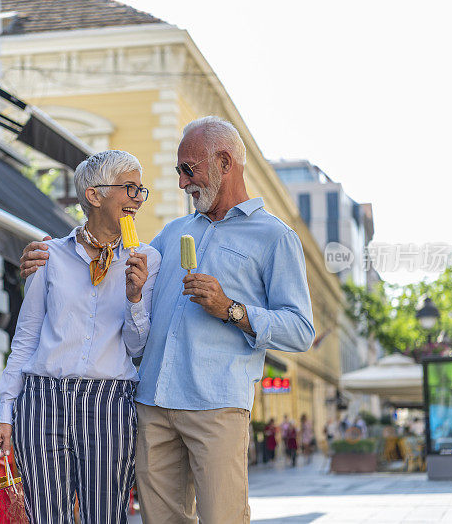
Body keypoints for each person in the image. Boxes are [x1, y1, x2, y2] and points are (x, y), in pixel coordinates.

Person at [19, 116, 315, 523]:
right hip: (152, 403)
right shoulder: (170, 234)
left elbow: (301, 329)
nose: (181, 182)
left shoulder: (274, 236)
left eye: (188, 169)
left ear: (225, 163)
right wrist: (51, 254)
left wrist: (232, 309)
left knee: (222, 518)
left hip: (215, 406)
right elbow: (109, 279)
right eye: (179, 171)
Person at [0, 150, 160, 524]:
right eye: (129, 187)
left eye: (140, 190)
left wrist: (135, 298)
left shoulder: (147, 260)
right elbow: (25, 339)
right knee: (46, 516)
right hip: (42, 398)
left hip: (108, 402)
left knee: (105, 516)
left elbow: (137, 347)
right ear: (95, 195)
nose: (137, 198)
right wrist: (5, 412)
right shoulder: (47, 255)